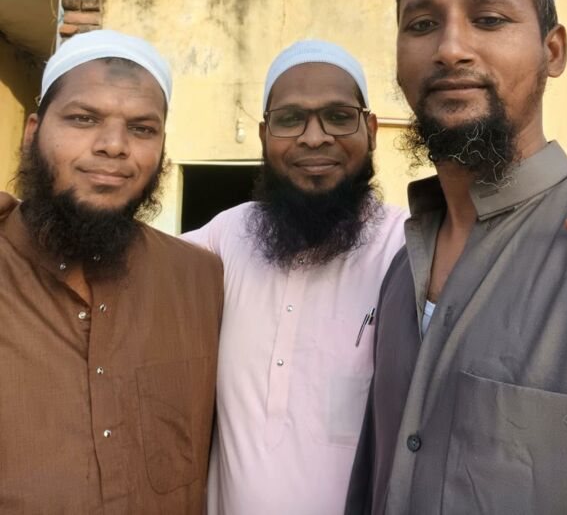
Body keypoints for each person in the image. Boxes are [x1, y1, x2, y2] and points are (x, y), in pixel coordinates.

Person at [346, 0, 567, 515]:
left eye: (488, 19)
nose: (451, 48)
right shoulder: (400, 277)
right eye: (421, 24)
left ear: (552, 51)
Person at [0, 30, 223, 514]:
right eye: (83, 119)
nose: (114, 146)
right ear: (32, 131)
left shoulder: (199, 280)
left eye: (142, 129)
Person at [183, 40, 408, 515]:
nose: (314, 137)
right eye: (290, 120)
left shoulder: (409, 246)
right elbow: (130, 259)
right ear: (264, 135)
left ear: (370, 130)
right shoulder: (227, 235)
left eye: (338, 116)